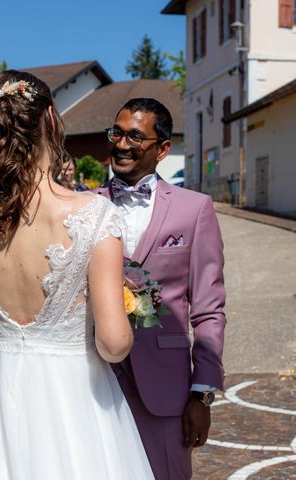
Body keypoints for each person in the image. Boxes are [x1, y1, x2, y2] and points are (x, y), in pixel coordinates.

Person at [0, 70, 153, 479]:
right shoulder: (93, 215)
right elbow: (112, 344)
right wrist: (130, 311)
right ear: (52, 121)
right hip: (75, 393)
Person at [96, 98, 227, 479]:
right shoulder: (84, 206)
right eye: (117, 133)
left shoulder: (195, 209)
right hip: (94, 377)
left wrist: (201, 394)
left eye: (135, 137)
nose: (121, 144)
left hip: (166, 386)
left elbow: (208, 308)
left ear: (163, 148)